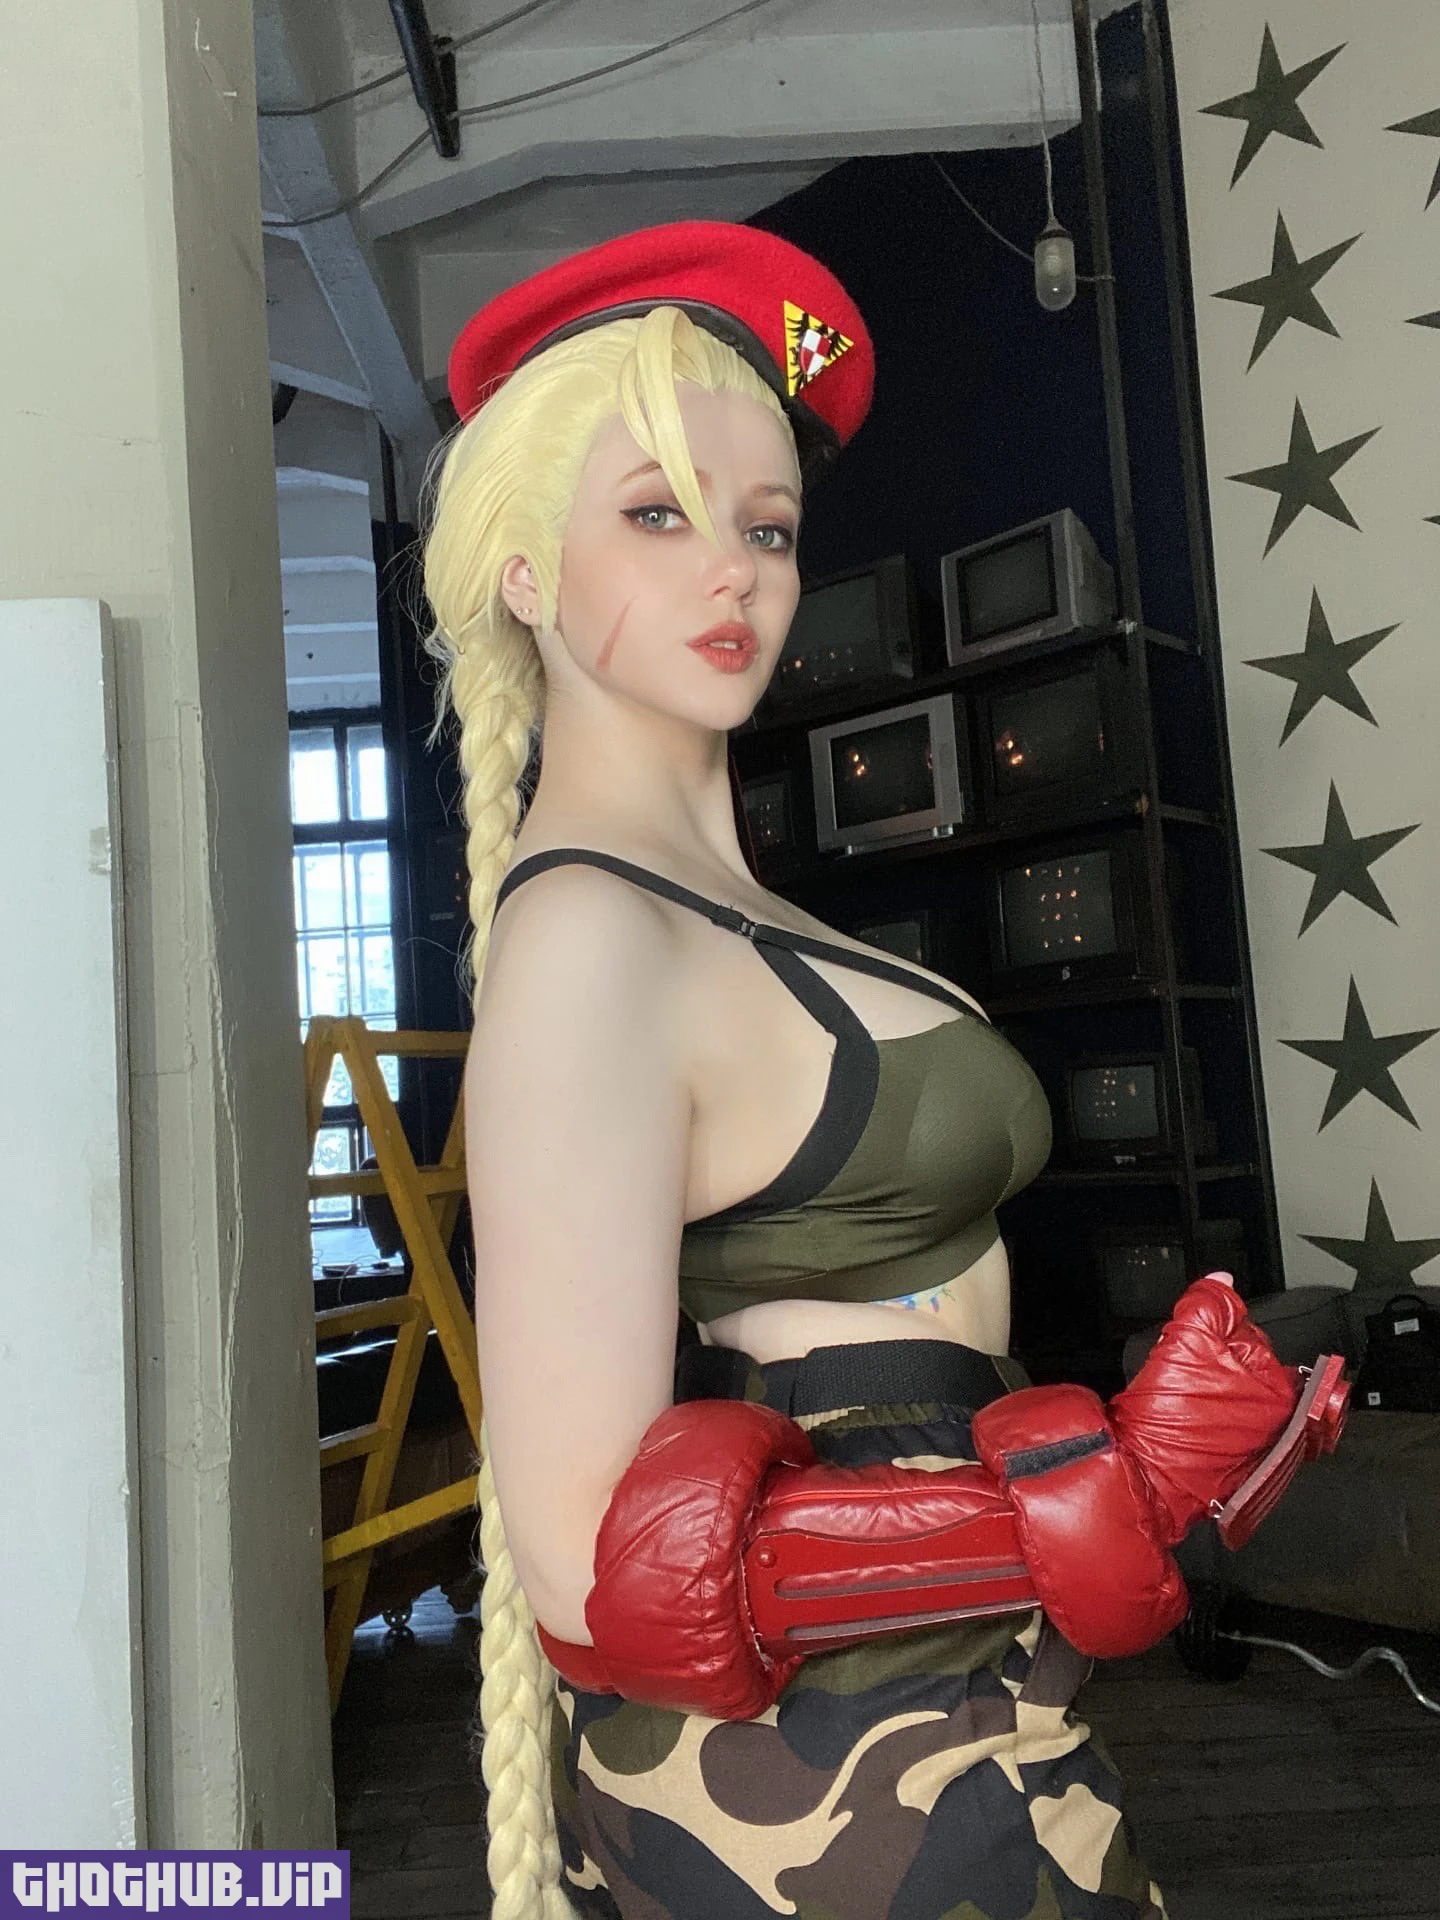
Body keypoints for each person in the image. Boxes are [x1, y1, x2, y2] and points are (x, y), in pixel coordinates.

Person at [421, 223, 1344, 1920]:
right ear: (526, 574)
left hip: (946, 1705)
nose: (735, 573)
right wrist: (1100, 1501)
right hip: (832, 1773)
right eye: (658, 514)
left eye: (767, 527)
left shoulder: (719, 902)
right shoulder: (591, 937)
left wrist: (1089, 1514)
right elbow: (590, 1565)